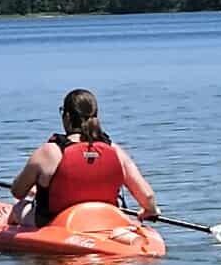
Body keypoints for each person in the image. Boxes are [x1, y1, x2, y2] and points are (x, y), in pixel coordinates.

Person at [10, 88, 159, 227]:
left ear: (67, 116)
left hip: (57, 223)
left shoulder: (50, 152)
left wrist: (32, 192)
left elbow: (17, 191)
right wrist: (150, 211)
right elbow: (148, 196)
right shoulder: (113, 150)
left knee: (19, 207)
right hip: (106, 219)